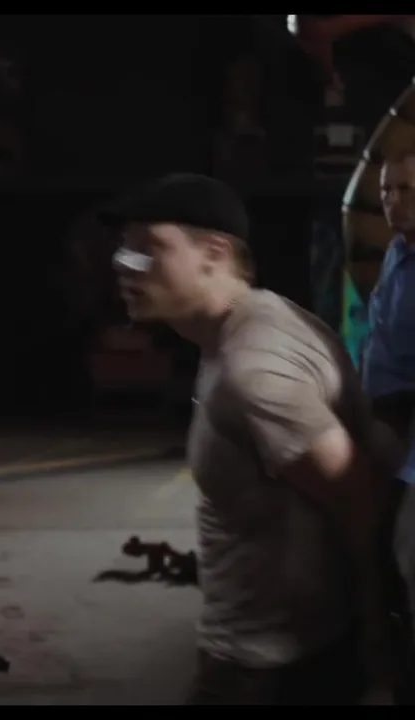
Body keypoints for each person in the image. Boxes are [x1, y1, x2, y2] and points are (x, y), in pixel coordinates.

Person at [103, 173, 390, 705]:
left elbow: (362, 504)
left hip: (266, 666)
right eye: (124, 251)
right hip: (277, 651)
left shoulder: (254, 370)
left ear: (214, 253)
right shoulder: (253, 322)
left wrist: (379, 656)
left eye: (149, 249)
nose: (126, 267)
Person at [368, 151, 415, 700]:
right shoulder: (396, 252)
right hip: (387, 414)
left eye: (406, 189)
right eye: (387, 190)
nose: (394, 201)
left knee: (410, 543)